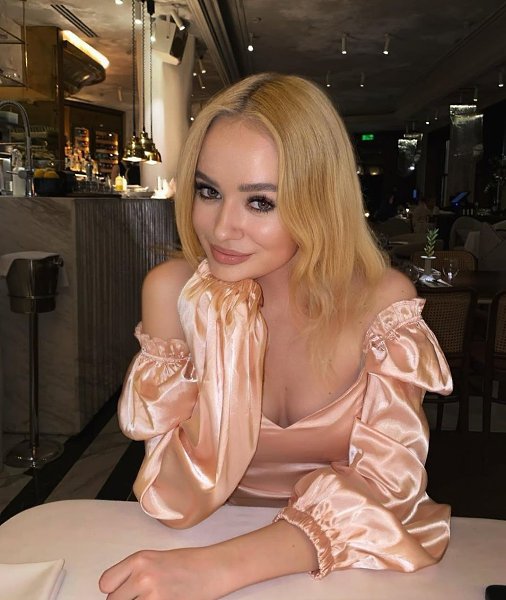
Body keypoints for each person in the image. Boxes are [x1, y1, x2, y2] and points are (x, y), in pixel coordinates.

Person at [99, 73, 452, 599]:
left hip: (349, 562)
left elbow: (390, 488)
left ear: (319, 201)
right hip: (201, 536)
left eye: (260, 202)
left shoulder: (381, 303)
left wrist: (220, 568)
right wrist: (222, 336)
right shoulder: (173, 294)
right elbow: (172, 492)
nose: (221, 228)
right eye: (208, 191)